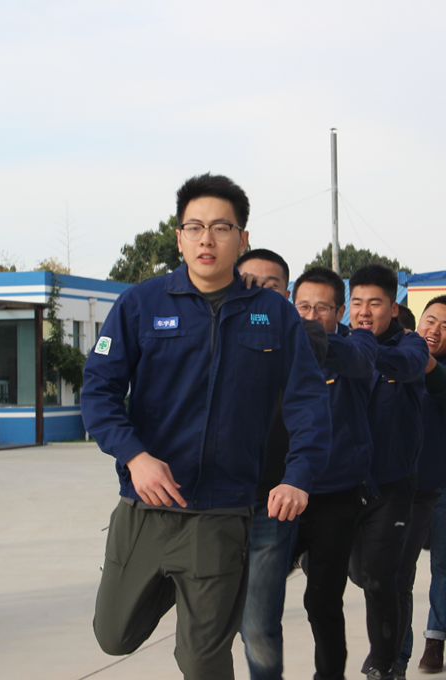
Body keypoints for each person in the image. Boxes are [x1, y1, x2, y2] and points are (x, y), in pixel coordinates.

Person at [82, 173, 332, 680]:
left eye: (221, 228)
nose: (207, 239)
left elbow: (308, 402)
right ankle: (187, 586)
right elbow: (98, 390)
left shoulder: (273, 315)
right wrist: (134, 456)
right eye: (194, 227)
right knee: (113, 635)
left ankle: (203, 594)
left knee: (202, 661)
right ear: (179, 238)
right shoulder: (140, 304)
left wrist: (299, 476)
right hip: (146, 505)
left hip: (221, 513)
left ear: (242, 239)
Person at [236, 249, 328, 680]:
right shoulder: (212, 329)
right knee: (205, 628)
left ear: (286, 294)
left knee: (257, 624)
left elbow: (310, 401)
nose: (257, 290)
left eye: (269, 285)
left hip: (270, 502)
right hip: (209, 501)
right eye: (248, 282)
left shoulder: (301, 332)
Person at [345, 264, 440, 680]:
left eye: (375, 303)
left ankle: (387, 663)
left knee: (383, 577)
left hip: (393, 483)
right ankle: (388, 655)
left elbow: (407, 365)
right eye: (357, 302)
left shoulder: (412, 345)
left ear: (394, 307)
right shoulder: (340, 341)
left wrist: (359, 349)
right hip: (346, 483)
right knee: (361, 573)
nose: (364, 312)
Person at [292, 266, 378, 680]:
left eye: (322, 308)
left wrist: (302, 338)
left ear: (340, 312)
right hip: (284, 491)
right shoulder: (277, 347)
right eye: (302, 307)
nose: (311, 316)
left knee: (322, 600)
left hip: (336, 496)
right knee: (258, 596)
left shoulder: (357, 344)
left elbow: (358, 359)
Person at [394, 296, 446, 676]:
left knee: (443, 561)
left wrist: (415, 353)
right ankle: (398, 651)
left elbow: (445, 384)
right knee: (401, 569)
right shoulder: (399, 357)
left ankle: (435, 639)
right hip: (407, 480)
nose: (435, 330)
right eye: (430, 321)